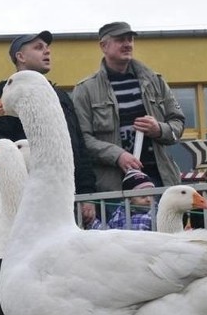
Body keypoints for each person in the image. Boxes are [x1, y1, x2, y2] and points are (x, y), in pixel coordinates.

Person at [72, 21, 185, 193]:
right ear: (104, 46)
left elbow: (178, 122)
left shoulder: (155, 81)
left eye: (130, 39)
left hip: (160, 179)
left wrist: (159, 129)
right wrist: (117, 155)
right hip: (114, 186)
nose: (127, 44)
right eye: (120, 40)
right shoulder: (85, 90)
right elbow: (82, 139)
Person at [0, 31, 96, 194]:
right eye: (38, 47)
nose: (47, 51)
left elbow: (78, 145)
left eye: (47, 47)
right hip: (26, 192)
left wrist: (87, 191)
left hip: (68, 191)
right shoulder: (4, 92)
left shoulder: (60, 95)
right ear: (20, 57)